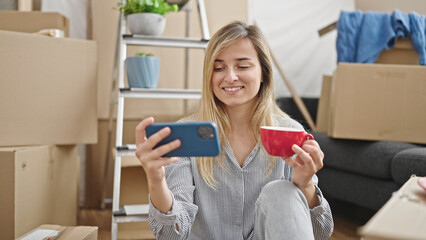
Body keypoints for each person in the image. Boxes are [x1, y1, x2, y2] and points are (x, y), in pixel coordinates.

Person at [135, 21, 334, 240]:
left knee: (281, 191)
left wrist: (304, 185)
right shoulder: (186, 135)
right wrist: (156, 180)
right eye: (219, 68)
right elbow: (171, 234)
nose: (230, 77)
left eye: (242, 66)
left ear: (263, 73)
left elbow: (319, 232)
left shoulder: (290, 134)